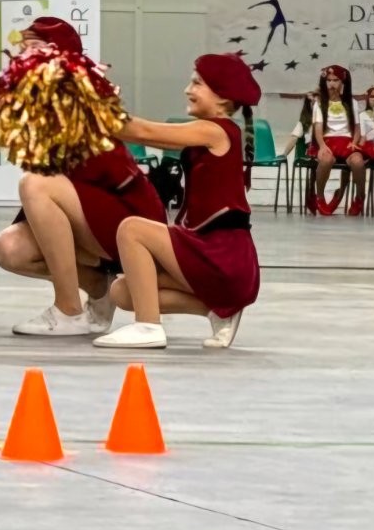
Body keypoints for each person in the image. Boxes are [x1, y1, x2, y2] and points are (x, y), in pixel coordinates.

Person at [0, 17, 167, 338]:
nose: (25, 53)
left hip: (126, 212)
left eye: (35, 46)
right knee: (9, 249)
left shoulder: (79, 96)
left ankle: (68, 310)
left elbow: (140, 137)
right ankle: (98, 287)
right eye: (23, 46)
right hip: (84, 209)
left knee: (35, 183)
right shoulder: (36, 100)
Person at [94, 54, 262, 350]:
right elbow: (136, 132)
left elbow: (142, 132)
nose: (187, 89)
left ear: (223, 98)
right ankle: (216, 310)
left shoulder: (216, 129)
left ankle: (148, 327)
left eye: (197, 83)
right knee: (123, 292)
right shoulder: (213, 130)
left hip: (222, 257)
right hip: (214, 255)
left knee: (132, 229)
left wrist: (95, 103)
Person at [309, 64, 365, 215]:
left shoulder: (351, 102)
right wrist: (321, 145)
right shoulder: (320, 103)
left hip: (347, 141)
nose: (332, 84)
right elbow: (318, 128)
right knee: (326, 160)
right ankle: (320, 197)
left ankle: (360, 197)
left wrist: (354, 142)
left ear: (342, 83)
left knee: (358, 162)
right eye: (329, 80)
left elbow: (357, 128)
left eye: (335, 80)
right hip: (327, 141)